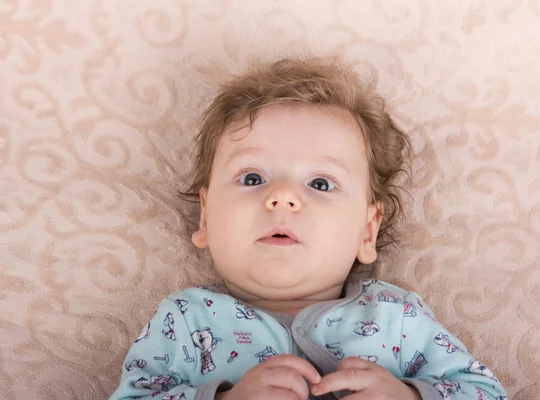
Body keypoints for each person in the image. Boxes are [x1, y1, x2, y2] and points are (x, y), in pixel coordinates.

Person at [110, 58, 508, 400]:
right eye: (252, 178)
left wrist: (408, 394)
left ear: (367, 232)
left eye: (320, 183)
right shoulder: (186, 318)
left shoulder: (396, 315)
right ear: (207, 218)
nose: (282, 197)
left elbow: (485, 390)